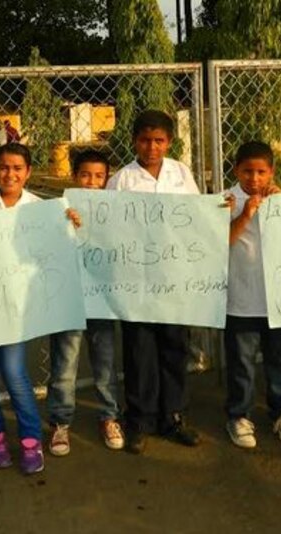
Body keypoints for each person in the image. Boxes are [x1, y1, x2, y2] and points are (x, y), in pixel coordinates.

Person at [105, 110, 201, 455]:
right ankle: (140, 421)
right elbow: (110, 228)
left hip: (173, 278)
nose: (152, 147)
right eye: (145, 140)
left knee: (175, 347)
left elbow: (195, 218)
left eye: (159, 140)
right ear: (134, 141)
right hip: (138, 282)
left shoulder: (181, 173)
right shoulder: (122, 180)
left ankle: (173, 416)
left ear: (169, 142)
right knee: (140, 351)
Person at [0, 143, 47, 475]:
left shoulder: (40, 208)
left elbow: (53, 250)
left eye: (17, 168)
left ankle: (31, 439)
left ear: (28, 172)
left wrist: (69, 223)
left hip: (15, 307)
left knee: (15, 372)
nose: (10, 174)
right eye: (3, 167)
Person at [222, 141, 281, 450]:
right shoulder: (226, 200)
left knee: (279, 361)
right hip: (241, 299)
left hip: (279, 299)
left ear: (271, 172)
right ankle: (239, 415)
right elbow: (219, 243)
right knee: (242, 363)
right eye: (247, 171)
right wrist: (244, 214)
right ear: (236, 170)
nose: (254, 179)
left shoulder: (280, 199)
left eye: (261, 172)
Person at [47, 150, 124, 456]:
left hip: (102, 300)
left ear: (107, 180)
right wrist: (64, 225)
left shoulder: (115, 212)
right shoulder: (58, 210)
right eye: (85, 175)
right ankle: (60, 422)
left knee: (105, 362)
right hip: (69, 300)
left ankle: (109, 416)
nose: (91, 182)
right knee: (65, 364)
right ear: (74, 176)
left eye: (99, 176)